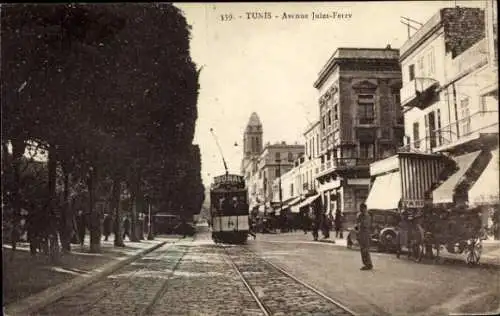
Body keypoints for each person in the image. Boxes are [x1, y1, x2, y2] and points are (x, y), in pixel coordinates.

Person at [357, 203, 373, 270]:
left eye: (361, 208)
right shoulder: (360, 215)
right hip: (361, 233)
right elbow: (358, 225)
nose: (360, 210)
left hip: (365, 234)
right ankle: (367, 264)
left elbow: (365, 225)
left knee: (365, 250)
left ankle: (368, 264)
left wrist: (360, 222)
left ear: (364, 208)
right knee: (362, 249)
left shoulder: (367, 216)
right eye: (360, 208)